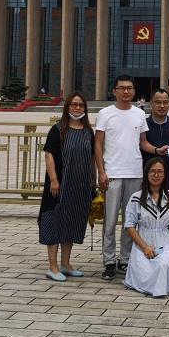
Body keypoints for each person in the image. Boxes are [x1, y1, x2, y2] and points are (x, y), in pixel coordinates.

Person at [95, 74, 157, 280]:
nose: (126, 91)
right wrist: (101, 171)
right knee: (110, 221)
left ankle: (125, 258)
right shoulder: (105, 113)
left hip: (134, 173)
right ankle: (109, 261)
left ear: (134, 91)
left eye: (129, 88)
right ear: (114, 91)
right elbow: (98, 144)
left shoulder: (139, 113)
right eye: (121, 88)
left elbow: (143, 143)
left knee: (130, 220)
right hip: (112, 173)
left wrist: (158, 150)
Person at [39, 93, 96, 282]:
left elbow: (92, 158)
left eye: (81, 105)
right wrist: (54, 180)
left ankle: (66, 264)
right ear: (67, 107)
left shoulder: (88, 131)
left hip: (80, 187)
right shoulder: (57, 130)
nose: (77, 108)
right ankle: (52, 267)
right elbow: (49, 155)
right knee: (55, 221)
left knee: (72, 221)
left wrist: (93, 181)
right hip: (59, 186)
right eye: (73, 105)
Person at [123, 157, 169, 298]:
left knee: (163, 265)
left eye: (160, 171)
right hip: (142, 243)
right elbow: (129, 226)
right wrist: (145, 247)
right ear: (146, 174)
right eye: (152, 171)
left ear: (165, 175)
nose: (156, 175)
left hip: (165, 242)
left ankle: (159, 288)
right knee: (145, 273)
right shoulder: (136, 197)